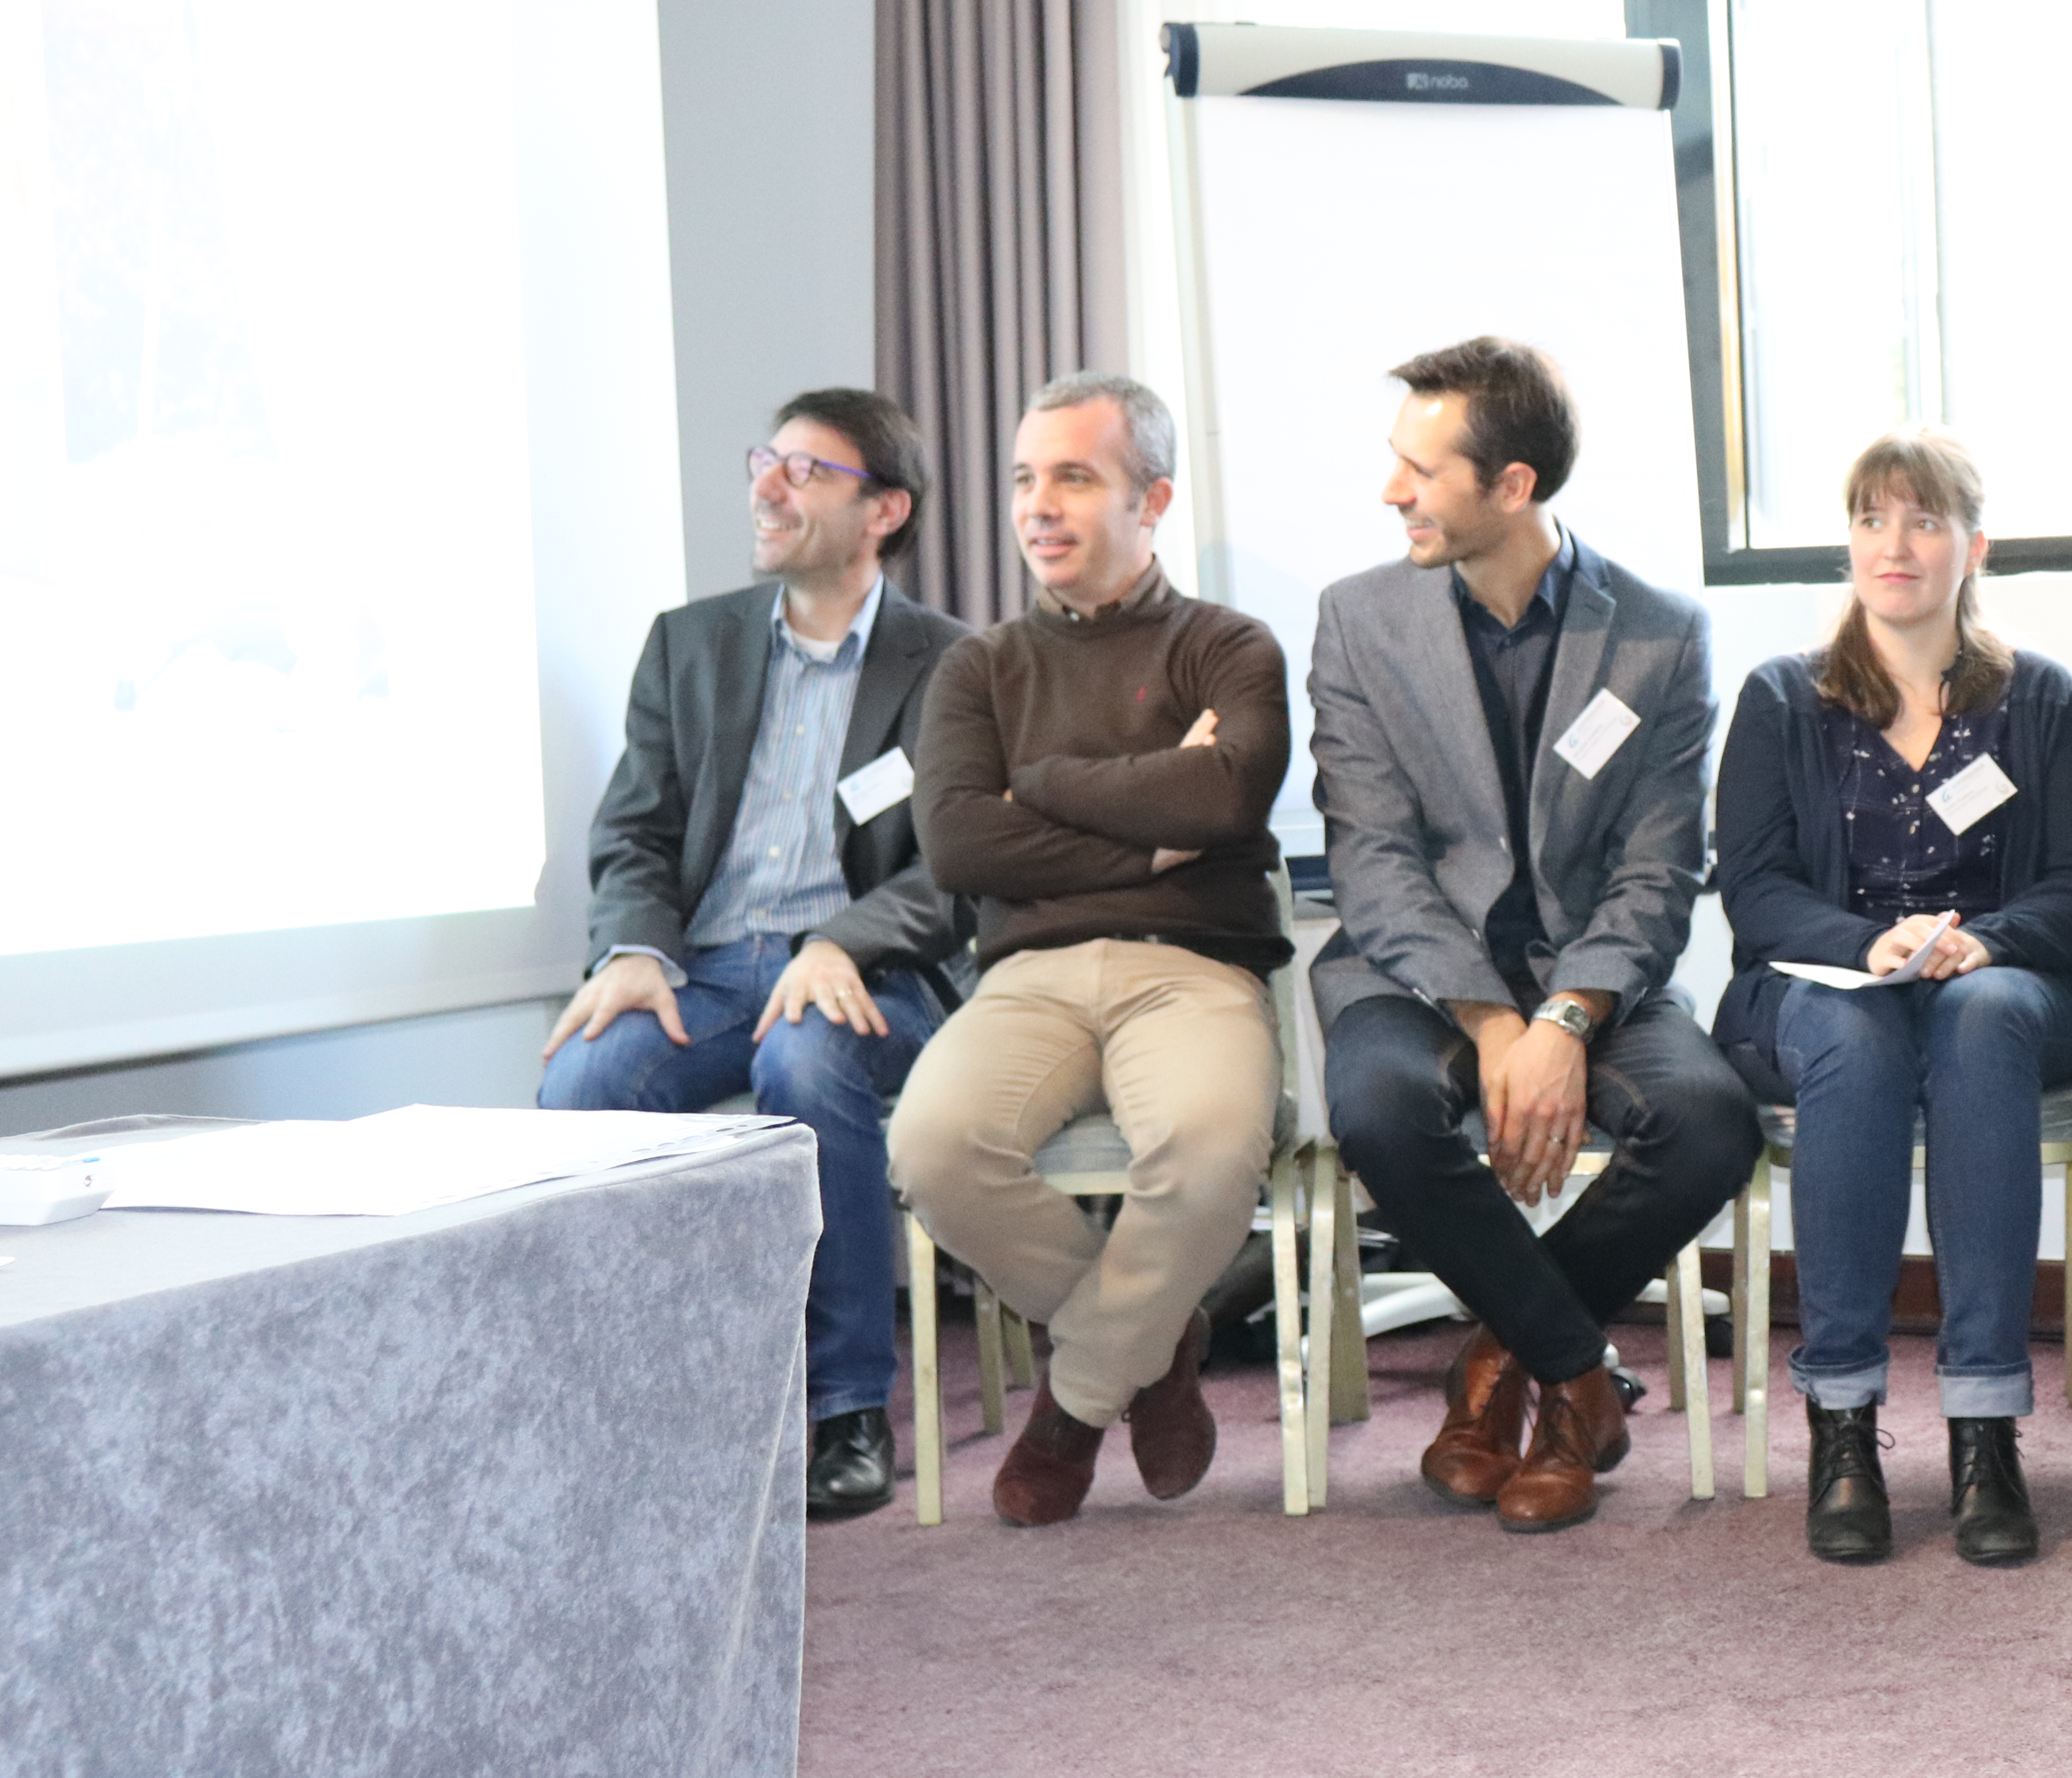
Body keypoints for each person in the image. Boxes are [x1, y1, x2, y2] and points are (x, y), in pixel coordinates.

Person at [1308, 336, 1762, 1535]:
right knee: (1380, 1113)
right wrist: (1494, 1020)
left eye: (1421, 468)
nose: (1391, 490)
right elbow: (1373, 858)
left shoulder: (1659, 634)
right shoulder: (1357, 621)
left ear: (1512, 487)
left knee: (1712, 1122)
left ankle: (1498, 1365)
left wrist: (1566, 1016)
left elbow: (1660, 870)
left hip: (1592, 978)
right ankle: (1576, 1377)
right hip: (1414, 980)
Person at [541, 388, 967, 1523]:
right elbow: (634, 827)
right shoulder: (692, 643)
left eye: (804, 471)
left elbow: (961, 866)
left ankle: (845, 1407)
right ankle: (622, 1395)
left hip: (866, 970)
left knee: (809, 1061)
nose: (767, 487)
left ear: (884, 510)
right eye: (765, 462)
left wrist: (842, 939)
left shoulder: (955, 665)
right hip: (708, 964)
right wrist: (632, 946)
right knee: (587, 1075)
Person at [888, 374, 1291, 1528]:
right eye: (1025, 478)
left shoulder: (1230, 646)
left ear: (1152, 496)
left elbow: (1224, 799)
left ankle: (1072, 1403)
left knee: (1212, 1151)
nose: (1038, 505)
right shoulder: (978, 668)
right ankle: (1156, 1347)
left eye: (1074, 475)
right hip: (1028, 973)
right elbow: (962, 842)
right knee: (935, 1146)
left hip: (1195, 967)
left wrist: (1049, 787)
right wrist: (1150, 826)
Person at [1711, 429, 2072, 1568]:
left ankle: (1986, 1428)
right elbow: (1756, 890)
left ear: (1971, 546)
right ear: (1850, 542)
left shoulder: (2038, 696)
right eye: (1874, 518)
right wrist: (1867, 940)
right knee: (1855, 1028)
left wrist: (1983, 943)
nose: (1898, 544)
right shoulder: (1783, 696)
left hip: (2002, 982)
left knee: (1979, 1024)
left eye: (1926, 520)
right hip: (1825, 986)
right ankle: (1844, 1425)